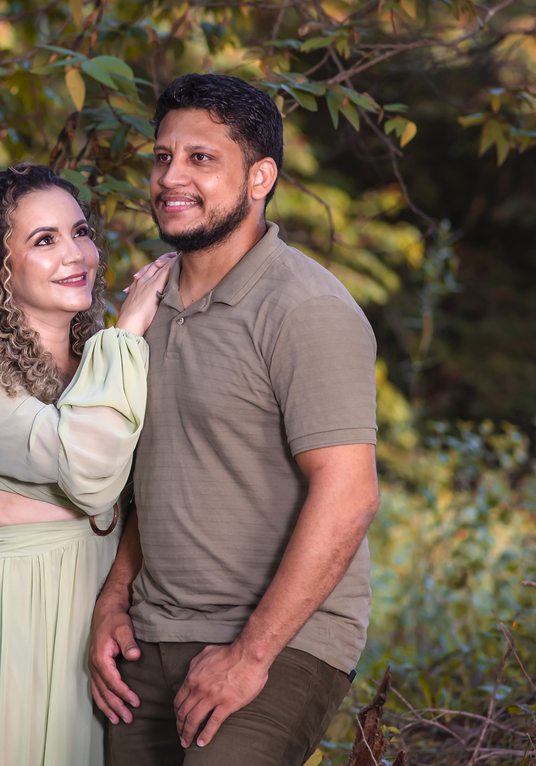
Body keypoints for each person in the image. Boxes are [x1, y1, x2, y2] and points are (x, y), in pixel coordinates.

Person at [88, 73, 380, 766]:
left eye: (200, 159)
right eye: (162, 157)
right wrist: (111, 602)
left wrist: (251, 654)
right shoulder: (145, 309)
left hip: (279, 642)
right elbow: (151, 483)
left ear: (260, 177)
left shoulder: (305, 307)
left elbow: (349, 494)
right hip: (149, 638)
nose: (170, 177)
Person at [0, 162, 173, 766]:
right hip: (15, 616)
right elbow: (89, 469)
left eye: (80, 232)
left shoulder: (103, 363)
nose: (75, 254)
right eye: (43, 240)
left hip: (107, 611)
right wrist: (127, 327)